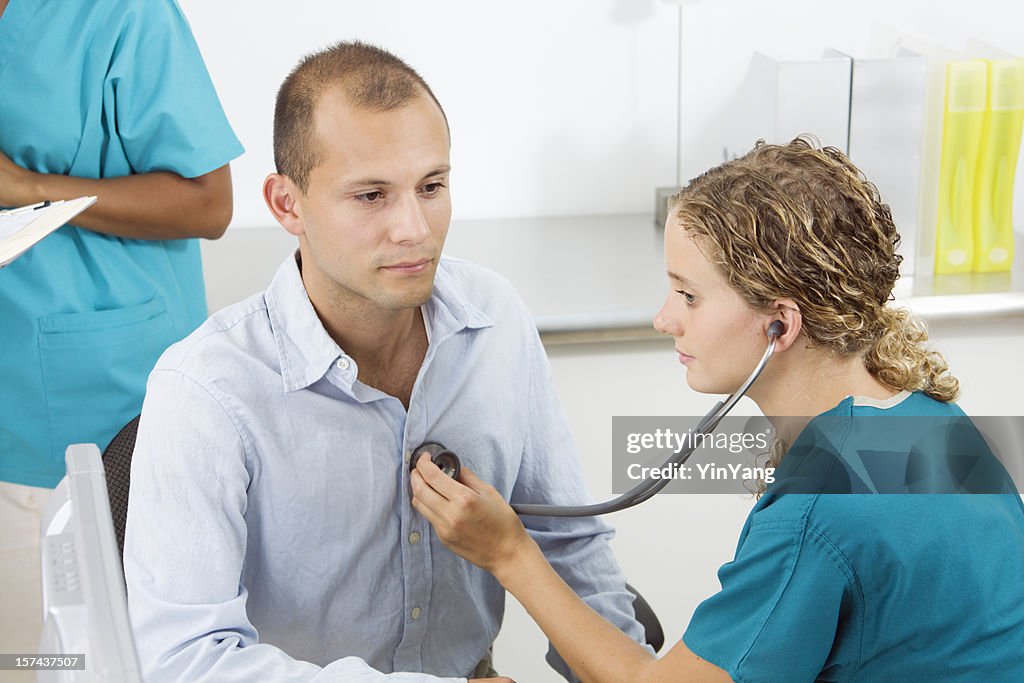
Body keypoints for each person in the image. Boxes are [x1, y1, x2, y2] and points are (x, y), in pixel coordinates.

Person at [123, 41, 646, 682]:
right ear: (287, 204)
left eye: (431, 187)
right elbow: (185, 662)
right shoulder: (204, 390)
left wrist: (627, 670)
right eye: (371, 196)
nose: (414, 229)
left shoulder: (495, 319)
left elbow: (567, 543)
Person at [411, 138, 1024, 682]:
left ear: (779, 325)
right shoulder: (935, 421)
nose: (664, 317)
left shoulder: (818, 513)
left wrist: (508, 553)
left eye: (689, 295)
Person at [0, 0, 242, 671]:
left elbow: (208, 200)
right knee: (17, 658)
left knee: (73, 661)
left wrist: (28, 187)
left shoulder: (123, 15)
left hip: (97, 404)